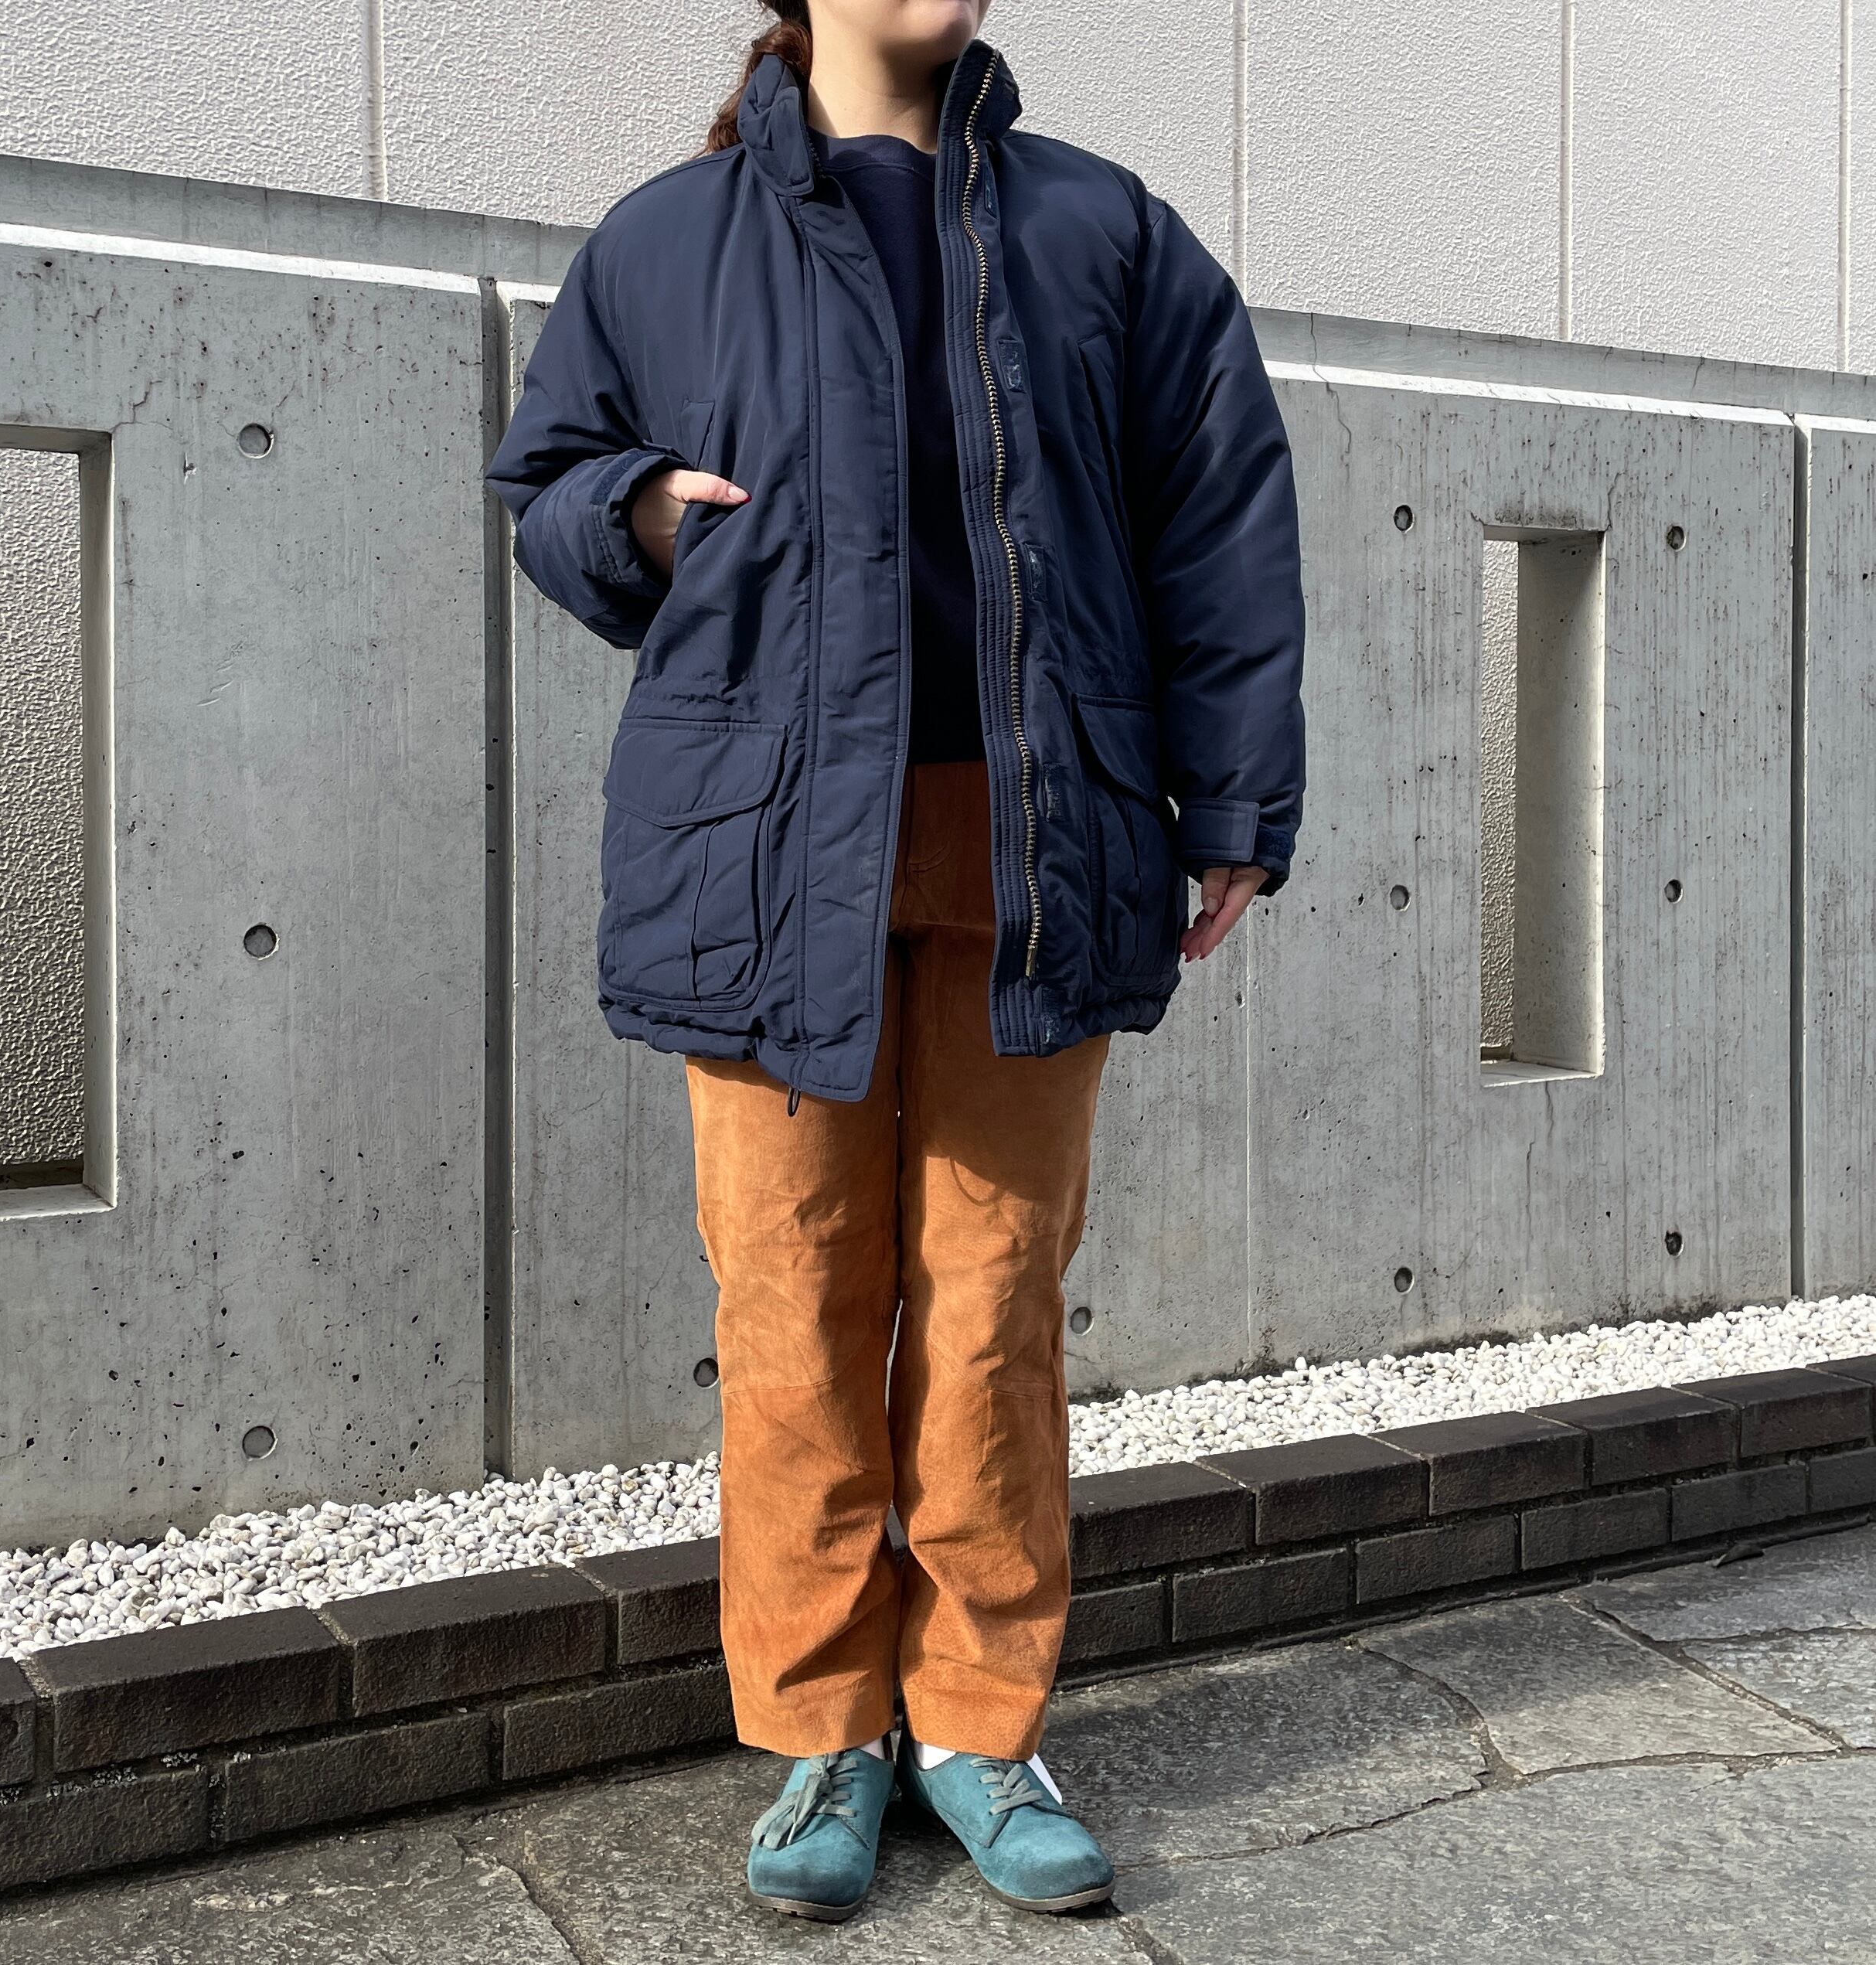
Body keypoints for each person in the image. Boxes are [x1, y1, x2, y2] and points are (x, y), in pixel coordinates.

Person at [485, 0, 1306, 1923]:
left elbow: (1215, 513)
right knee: (790, 1301)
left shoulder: (1105, 232)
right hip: (768, 848)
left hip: (1033, 841)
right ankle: (823, 1729)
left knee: (993, 1302)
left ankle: (976, 1721)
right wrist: (633, 512)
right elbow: (545, 481)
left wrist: (1230, 799)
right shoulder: (667, 238)